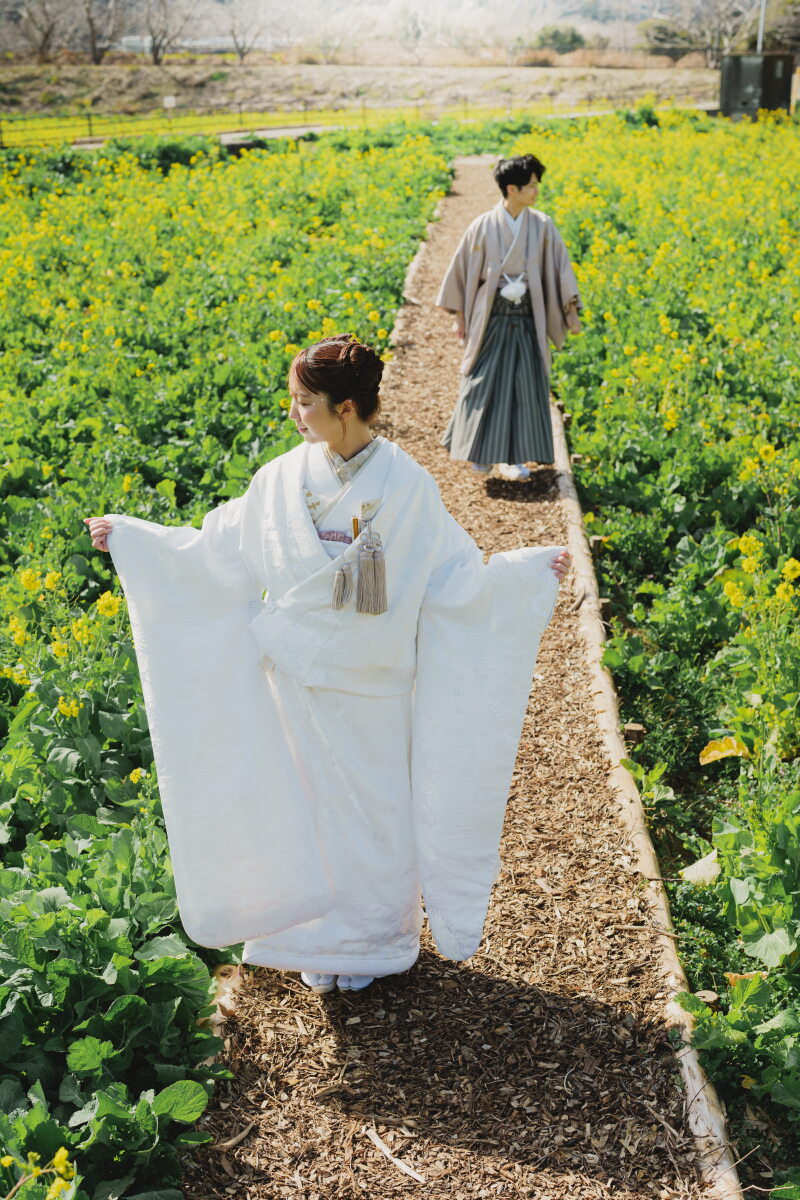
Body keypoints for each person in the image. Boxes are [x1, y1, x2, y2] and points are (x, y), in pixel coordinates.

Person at [85, 335, 570, 996]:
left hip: (371, 684)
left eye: (304, 402)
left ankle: (373, 943)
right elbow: (216, 549)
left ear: (346, 407)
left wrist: (523, 575)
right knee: (303, 806)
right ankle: (308, 937)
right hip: (298, 679)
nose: (294, 414)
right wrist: (137, 540)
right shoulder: (281, 482)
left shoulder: (407, 488)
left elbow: (456, 578)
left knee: (376, 816)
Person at [436, 153, 581, 482]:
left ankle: (514, 458)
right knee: (482, 381)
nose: (537, 191)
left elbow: (560, 268)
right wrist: (460, 317)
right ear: (511, 189)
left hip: (529, 315)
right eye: (531, 185)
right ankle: (480, 452)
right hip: (492, 316)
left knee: (524, 385)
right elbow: (461, 271)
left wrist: (570, 310)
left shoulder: (542, 225)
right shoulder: (483, 226)